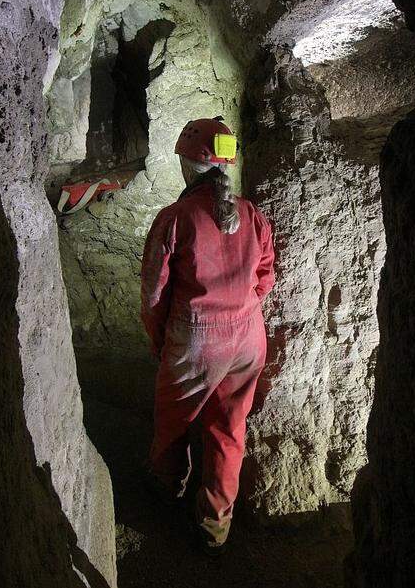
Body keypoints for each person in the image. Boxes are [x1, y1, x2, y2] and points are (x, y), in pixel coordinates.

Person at [140, 117, 275, 555]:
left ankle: (167, 489)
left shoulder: (174, 218)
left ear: (187, 164)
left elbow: (154, 293)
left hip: (197, 341)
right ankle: (216, 525)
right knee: (229, 429)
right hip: (249, 338)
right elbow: (265, 278)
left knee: (173, 420)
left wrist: (160, 340)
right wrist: (239, 311)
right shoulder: (251, 214)